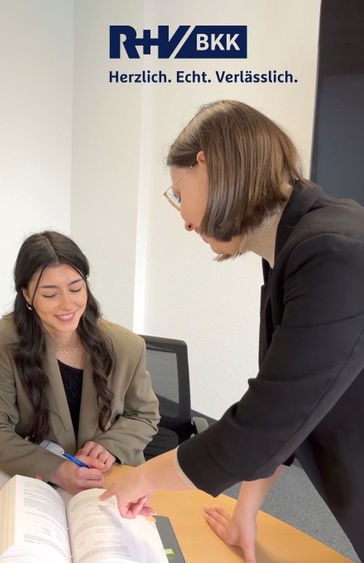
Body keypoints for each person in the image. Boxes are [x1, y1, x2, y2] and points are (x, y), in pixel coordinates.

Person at [101, 100, 364, 560]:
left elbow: (266, 422)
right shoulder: (296, 247)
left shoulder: (330, 252)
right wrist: (247, 509)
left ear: (208, 164)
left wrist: (142, 478)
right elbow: (286, 404)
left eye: (178, 195)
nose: (185, 221)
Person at [0, 231, 160, 494]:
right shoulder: (10, 340)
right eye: (50, 294)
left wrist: (110, 445)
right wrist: (55, 469)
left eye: (75, 289)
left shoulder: (126, 346)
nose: (67, 304)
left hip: (108, 480)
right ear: (27, 295)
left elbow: (144, 414)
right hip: (43, 483)